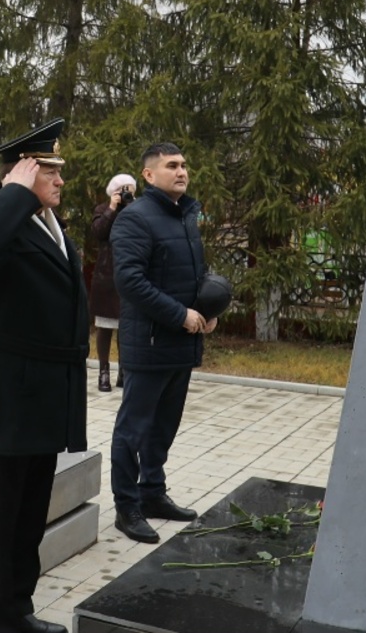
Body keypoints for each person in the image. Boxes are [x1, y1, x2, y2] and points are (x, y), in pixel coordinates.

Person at [0, 119, 87, 633]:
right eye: (49, 171)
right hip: (4, 395)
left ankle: (16, 610)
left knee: (28, 516)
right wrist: (12, 193)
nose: (60, 180)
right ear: (22, 174)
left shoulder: (48, 225)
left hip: (45, 395)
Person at [109, 142, 213, 545]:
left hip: (180, 344)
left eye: (184, 164)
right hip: (149, 342)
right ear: (149, 175)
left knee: (163, 427)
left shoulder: (184, 215)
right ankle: (127, 507)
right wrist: (179, 315)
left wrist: (208, 310)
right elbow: (130, 281)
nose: (182, 171)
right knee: (133, 430)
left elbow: (194, 274)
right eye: (172, 165)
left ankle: (152, 493)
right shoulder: (135, 218)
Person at [89, 173, 135, 392]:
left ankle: (124, 371)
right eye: (122, 189)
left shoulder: (137, 209)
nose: (126, 193)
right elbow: (99, 232)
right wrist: (112, 208)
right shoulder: (102, 210)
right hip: (106, 277)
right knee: (105, 327)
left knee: (125, 328)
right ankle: (103, 371)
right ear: (113, 192)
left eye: (130, 189)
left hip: (129, 275)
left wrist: (131, 207)